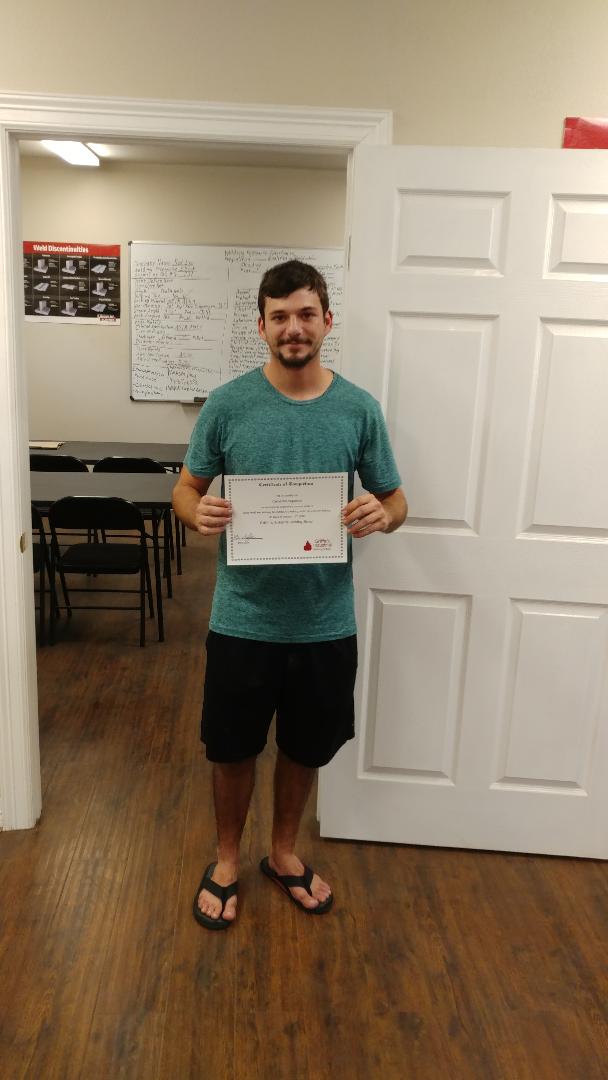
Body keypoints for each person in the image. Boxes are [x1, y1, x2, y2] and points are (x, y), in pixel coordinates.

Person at [172, 259, 407, 930]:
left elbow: (396, 498)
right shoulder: (227, 405)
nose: (293, 327)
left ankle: (281, 853)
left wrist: (383, 514)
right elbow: (185, 489)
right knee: (231, 749)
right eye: (280, 316)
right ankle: (226, 860)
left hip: (324, 622)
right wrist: (196, 512)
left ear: (327, 321)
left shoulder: (358, 408)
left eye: (306, 314)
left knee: (305, 748)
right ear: (262, 326)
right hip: (242, 619)